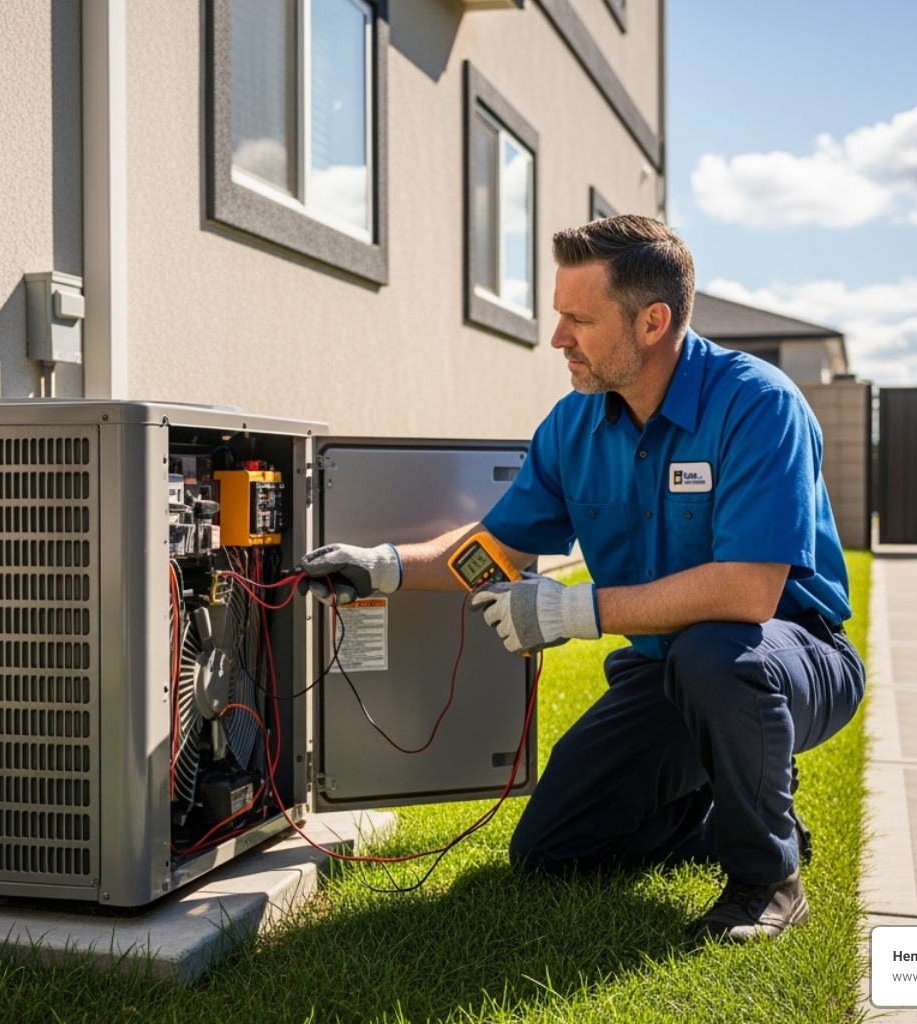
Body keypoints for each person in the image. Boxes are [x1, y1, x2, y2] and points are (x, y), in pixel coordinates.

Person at [299, 214, 865, 942]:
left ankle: (768, 880)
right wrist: (386, 568)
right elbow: (493, 552)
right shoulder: (574, 428)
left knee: (714, 651)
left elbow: (748, 593)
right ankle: (726, 816)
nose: (558, 338)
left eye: (578, 319)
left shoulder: (758, 406)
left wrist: (576, 612)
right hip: (667, 672)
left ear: (653, 321)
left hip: (788, 658)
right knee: (552, 850)